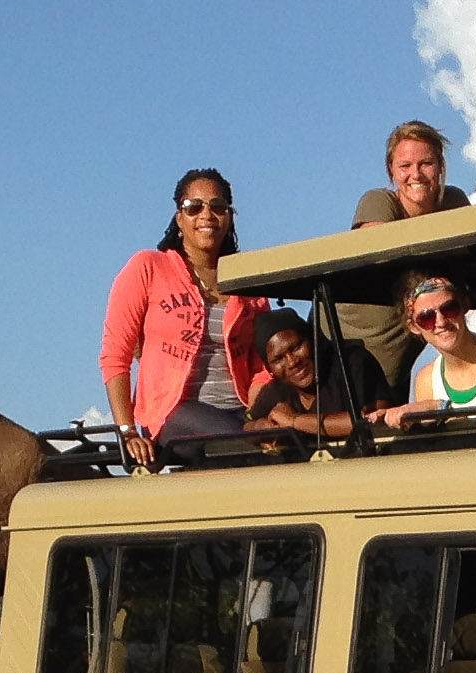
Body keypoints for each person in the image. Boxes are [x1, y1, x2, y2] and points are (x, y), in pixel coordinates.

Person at [101, 169, 269, 469]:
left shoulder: (248, 284)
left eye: (217, 207)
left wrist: (260, 414)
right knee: (247, 446)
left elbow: (261, 366)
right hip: (173, 411)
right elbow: (116, 355)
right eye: (194, 207)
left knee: (283, 444)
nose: (206, 215)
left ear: (229, 217)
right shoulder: (148, 267)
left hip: (238, 411)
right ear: (180, 218)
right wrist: (127, 432)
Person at [337, 121, 474, 393]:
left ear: (441, 167)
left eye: (426, 163)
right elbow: (379, 252)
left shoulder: (454, 203)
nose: (416, 174)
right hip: (339, 357)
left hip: (393, 373)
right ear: (392, 171)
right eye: (405, 166)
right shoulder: (379, 201)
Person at [246, 309, 398, 443]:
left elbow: (373, 421)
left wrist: (294, 421)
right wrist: (264, 427)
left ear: (312, 339)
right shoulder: (277, 390)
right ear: (269, 368)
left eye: (296, 347)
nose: (292, 362)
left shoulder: (353, 362)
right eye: (278, 359)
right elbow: (247, 428)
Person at [394, 272, 476, 415]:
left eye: (449, 308)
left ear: (464, 305)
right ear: (413, 327)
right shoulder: (426, 380)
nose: (441, 322)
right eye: (427, 317)